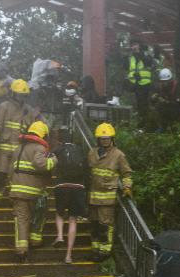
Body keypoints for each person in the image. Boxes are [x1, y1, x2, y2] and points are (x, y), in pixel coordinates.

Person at [9, 121, 56, 263]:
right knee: (39, 215)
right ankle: (35, 241)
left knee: (21, 220)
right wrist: (54, 160)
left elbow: (11, 171)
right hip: (34, 191)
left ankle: (21, 250)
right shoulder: (40, 148)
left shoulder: (18, 149)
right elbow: (40, 164)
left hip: (17, 190)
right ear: (43, 134)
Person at [0, 79, 41, 202]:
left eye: (23, 95)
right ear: (13, 93)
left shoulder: (27, 109)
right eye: (19, 95)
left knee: (16, 176)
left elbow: (33, 126)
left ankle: (14, 200)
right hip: (5, 147)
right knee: (1, 175)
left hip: (19, 148)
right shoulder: (4, 106)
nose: (21, 98)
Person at [88, 122, 132, 261]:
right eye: (102, 138)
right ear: (98, 139)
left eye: (107, 138)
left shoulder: (118, 155)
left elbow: (126, 173)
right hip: (93, 197)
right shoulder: (92, 153)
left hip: (107, 197)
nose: (105, 140)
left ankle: (105, 252)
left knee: (105, 225)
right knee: (94, 225)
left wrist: (127, 187)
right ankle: (95, 249)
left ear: (112, 138)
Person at [52, 136, 88, 264]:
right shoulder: (80, 150)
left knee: (59, 213)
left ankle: (60, 236)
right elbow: (86, 168)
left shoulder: (58, 149)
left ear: (61, 140)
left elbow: (51, 164)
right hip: (78, 187)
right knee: (73, 219)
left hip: (62, 185)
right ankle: (68, 255)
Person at [126, 40, 153, 120]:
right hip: (136, 83)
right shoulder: (131, 57)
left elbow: (148, 63)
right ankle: (141, 119)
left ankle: (145, 120)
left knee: (144, 103)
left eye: (135, 45)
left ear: (139, 45)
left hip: (145, 82)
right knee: (139, 104)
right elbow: (129, 69)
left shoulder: (145, 54)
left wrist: (139, 54)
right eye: (132, 45)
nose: (133, 47)